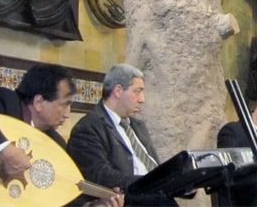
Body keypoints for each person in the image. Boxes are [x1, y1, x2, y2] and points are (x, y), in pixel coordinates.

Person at [0, 63, 123, 207]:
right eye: (64, 104)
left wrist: (91, 206)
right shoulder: (5, 102)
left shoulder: (55, 144)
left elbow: (59, 194)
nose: (67, 114)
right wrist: (5, 150)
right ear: (39, 102)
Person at [67, 63, 178, 206]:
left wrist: (179, 181)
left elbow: (153, 166)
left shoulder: (138, 126)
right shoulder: (89, 127)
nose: (142, 99)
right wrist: (150, 183)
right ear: (118, 91)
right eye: (137, 91)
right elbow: (100, 175)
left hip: (159, 198)